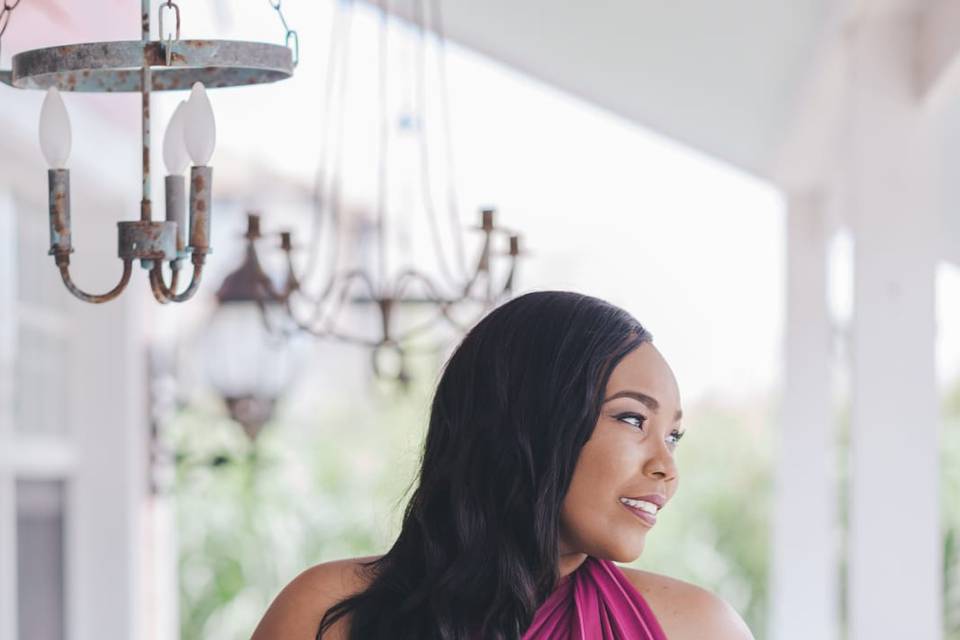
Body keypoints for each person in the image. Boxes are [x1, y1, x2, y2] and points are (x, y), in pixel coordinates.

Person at [251, 291, 755, 639]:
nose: (667, 465)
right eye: (631, 418)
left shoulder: (701, 629)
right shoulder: (325, 614)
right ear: (530, 421)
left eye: (673, 435)